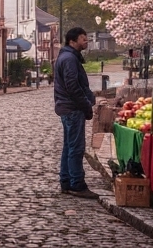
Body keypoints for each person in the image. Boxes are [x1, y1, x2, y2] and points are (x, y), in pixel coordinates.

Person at [54, 26, 97, 198]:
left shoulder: (67, 57)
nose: (86, 40)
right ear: (73, 41)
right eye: (82, 38)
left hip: (67, 107)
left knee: (69, 146)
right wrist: (86, 106)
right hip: (72, 108)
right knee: (76, 147)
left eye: (86, 37)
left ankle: (66, 181)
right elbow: (73, 86)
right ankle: (76, 184)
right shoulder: (69, 59)